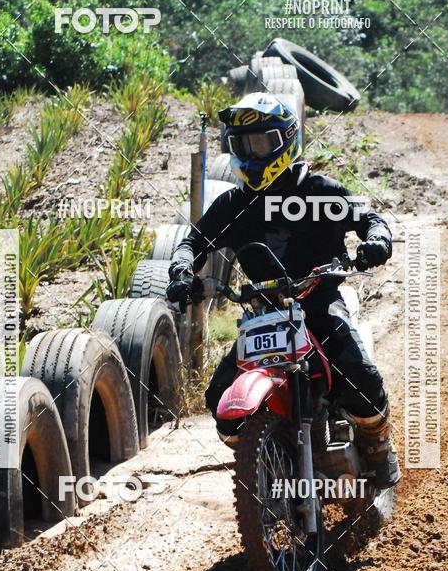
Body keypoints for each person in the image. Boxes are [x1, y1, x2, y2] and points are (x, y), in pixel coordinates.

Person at [166, 92, 400, 488]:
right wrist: (181, 270)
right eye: (243, 145)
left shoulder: (318, 189)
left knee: (358, 374)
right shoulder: (232, 205)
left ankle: (378, 447)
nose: (252, 154)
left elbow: (369, 217)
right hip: (264, 314)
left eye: (261, 143)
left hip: (319, 299)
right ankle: (272, 456)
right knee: (220, 402)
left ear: (285, 140)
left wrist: (376, 240)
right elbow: (193, 242)